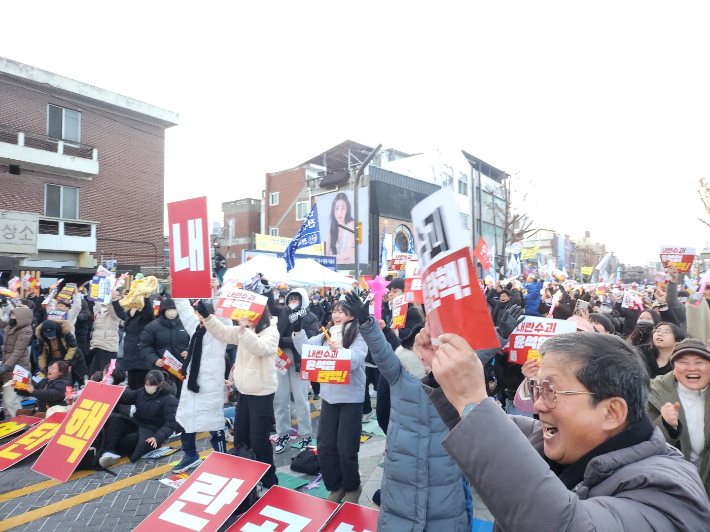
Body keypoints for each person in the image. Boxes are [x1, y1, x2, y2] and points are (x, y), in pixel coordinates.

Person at [417, 328, 710, 531]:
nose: (539, 405)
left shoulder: (666, 491)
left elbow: (569, 525)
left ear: (611, 412)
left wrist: (472, 399)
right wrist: (444, 370)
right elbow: (491, 433)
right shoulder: (555, 443)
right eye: (536, 388)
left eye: (552, 390)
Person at [346, 292, 469, 531]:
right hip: (401, 474)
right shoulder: (398, 373)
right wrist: (366, 322)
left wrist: (500, 334)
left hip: (444, 478)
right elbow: (381, 350)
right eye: (420, 345)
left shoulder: (451, 376)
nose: (425, 351)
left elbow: (477, 356)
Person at [198, 299, 280, 489]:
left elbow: (260, 348)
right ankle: (246, 478)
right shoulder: (244, 330)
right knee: (241, 438)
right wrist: (208, 316)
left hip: (262, 393)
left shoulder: (271, 331)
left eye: (251, 314)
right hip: (244, 392)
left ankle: (269, 482)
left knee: (259, 441)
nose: (245, 317)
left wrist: (244, 331)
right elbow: (223, 332)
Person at [292, 299, 368, 504]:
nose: (337, 315)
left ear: (351, 315)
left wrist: (340, 352)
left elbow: (358, 358)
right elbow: (306, 349)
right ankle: (336, 485)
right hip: (329, 397)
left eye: (342, 312)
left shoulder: (358, 333)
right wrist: (298, 331)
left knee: (346, 448)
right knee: (325, 447)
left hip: (351, 398)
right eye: (335, 311)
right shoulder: (326, 334)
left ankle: (353, 486)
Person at [171, 283, 231, 474]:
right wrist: (178, 286)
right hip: (192, 383)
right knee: (187, 419)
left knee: (213, 421)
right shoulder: (196, 330)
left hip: (211, 384)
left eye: (204, 316)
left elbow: (224, 318)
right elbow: (184, 309)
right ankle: (190, 455)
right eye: (199, 316)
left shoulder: (221, 332)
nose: (200, 319)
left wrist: (215, 293)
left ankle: (222, 457)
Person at [648, 338, 710, 496]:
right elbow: (643, 447)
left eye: (700, 362)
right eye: (683, 362)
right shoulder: (653, 395)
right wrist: (665, 425)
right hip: (672, 490)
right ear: (673, 367)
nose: (692, 368)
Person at [265, 284, 319, 452]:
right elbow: (271, 306)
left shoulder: (310, 317)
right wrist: (267, 288)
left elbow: (309, 338)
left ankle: (306, 436)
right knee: (279, 399)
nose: (293, 302)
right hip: (280, 359)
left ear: (303, 300)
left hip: (299, 361)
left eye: (296, 299)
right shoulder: (283, 312)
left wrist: (282, 341)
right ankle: (283, 434)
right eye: (290, 299)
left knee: (301, 399)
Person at [98, 369, 179, 467]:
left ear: (160, 384)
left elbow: (170, 424)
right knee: (115, 423)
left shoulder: (169, 399)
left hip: (152, 431)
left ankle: (115, 450)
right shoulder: (142, 392)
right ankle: (108, 451)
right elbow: (126, 396)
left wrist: (157, 437)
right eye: (146, 384)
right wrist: (107, 389)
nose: (148, 387)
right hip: (137, 423)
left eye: (151, 385)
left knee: (130, 440)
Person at [138, 298, 190, 397]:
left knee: (181, 396)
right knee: (162, 396)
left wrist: (188, 351)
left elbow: (194, 340)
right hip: (161, 369)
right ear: (163, 310)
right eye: (169, 309)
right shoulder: (153, 326)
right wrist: (155, 359)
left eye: (174, 309)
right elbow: (144, 345)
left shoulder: (185, 324)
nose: (171, 312)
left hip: (181, 369)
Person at [112, 294, 155, 390]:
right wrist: (115, 301)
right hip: (130, 357)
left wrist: (146, 298)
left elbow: (149, 312)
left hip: (141, 359)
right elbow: (120, 313)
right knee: (132, 385)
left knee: (140, 386)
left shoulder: (145, 318)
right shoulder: (130, 317)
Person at [0, 307, 34, 417]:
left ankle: (20, 422)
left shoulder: (25, 331)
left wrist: (5, 366)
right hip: (8, 366)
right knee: (8, 398)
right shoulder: (11, 326)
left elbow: (17, 352)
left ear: (21, 317)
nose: (11, 318)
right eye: (11, 315)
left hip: (17, 369)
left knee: (11, 399)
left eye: (14, 316)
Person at [36, 319, 88, 385]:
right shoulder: (42, 338)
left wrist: (66, 360)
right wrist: (43, 368)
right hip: (54, 358)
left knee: (77, 377)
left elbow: (73, 347)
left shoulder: (65, 333)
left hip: (72, 358)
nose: (50, 337)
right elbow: (42, 354)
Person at [88, 291, 122, 375]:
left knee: (106, 377)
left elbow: (112, 309)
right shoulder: (101, 314)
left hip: (108, 349)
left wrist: (112, 299)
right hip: (98, 348)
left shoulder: (115, 314)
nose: (103, 306)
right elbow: (98, 302)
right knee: (93, 376)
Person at [325, 192, 355, 264]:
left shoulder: (351, 225)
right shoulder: (330, 231)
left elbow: (349, 255)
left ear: (347, 209)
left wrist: (333, 259)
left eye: (343, 208)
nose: (339, 212)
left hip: (349, 270)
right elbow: (326, 257)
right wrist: (342, 260)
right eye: (337, 208)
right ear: (333, 210)